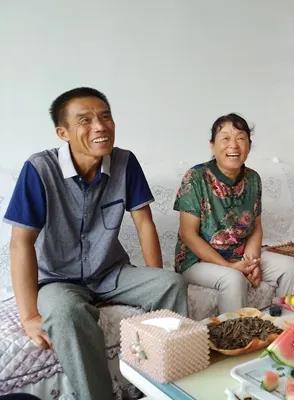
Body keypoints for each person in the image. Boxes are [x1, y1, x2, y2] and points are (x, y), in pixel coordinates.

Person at [3, 87, 188, 400]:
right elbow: (20, 243)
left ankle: (167, 385)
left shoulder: (125, 162)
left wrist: (155, 274)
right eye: (85, 120)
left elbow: (144, 223)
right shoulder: (39, 169)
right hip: (57, 280)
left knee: (171, 283)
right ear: (62, 132)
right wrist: (29, 316)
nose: (100, 126)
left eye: (105, 117)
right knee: (67, 312)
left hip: (110, 272)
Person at [173, 113, 294, 313]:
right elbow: (187, 234)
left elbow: (256, 227)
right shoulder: (196, 177)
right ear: (212, 145)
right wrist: (228, 266)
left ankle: (287, 325)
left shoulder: (253, 178)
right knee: (233, 279)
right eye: (225, 138)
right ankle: (234, 333)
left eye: (240, 138)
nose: (233, 145)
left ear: (249, 145)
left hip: (238, 255)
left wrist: (251, 263)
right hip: (197, 261)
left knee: (288, 266)